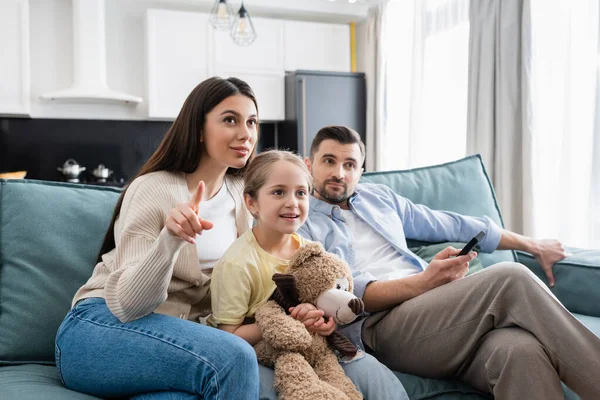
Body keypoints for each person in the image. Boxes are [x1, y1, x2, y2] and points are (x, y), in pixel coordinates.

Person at [298, 125, 600, 400]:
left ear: (361, 171)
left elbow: (451, 224)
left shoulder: (379, 198)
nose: (339, 172)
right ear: (309, 165)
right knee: (511, 277)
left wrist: (531, 244)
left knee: (520, 351)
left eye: (349, 165)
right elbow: (348, 294)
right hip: (380, 327)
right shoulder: (301, 219)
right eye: (329, 161)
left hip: (440, 317)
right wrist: (424, 282)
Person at [209, 149, 409, 400]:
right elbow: (228, 337)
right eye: (278, 192)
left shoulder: (309, 251)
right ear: (252, 203)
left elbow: (325, 302)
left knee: (375, 376)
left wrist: (324, 323)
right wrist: (290, 324)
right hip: (260, 352)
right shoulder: (237, 265)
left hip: (314, 348)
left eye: (301, 193)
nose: (292, 202)